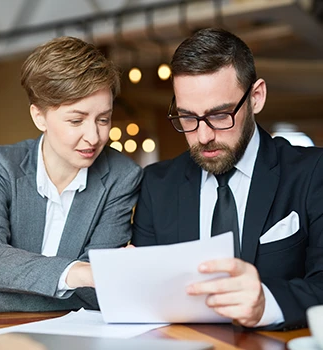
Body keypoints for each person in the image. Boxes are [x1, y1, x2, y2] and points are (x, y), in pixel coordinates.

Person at [131, 28, 323, 331]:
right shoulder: (156, 184)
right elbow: (147, 297)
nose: (204, 136)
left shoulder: (313, 174)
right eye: (188, 117)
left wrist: (267, 303)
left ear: (256, 97)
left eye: (220, 115)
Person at [0, 36, 142, 313]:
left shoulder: (121, 177)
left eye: (103, 119)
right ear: (39, 117)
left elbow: (94, 293)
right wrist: (77, 272)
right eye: (76, 120)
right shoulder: (2, 163)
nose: (94, 136)